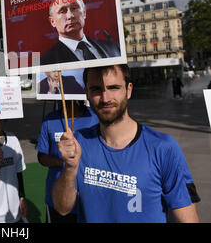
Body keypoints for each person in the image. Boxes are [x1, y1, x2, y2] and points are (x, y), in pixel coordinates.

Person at [52, 64, 200, 223]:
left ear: (128, 90)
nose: (105, 98)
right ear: (86, 93)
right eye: (96, 89)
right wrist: (70, 168)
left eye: (113, 87)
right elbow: (62, 208)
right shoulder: (78, 143)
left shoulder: (163, 147)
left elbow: (187, 216)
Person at [37, 100, 99, 223]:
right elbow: (42, 157)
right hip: (58, 197)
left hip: (89, 198)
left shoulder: (96, 118)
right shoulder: (50, 119)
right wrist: (66, 163)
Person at [41, 0, 120, 65]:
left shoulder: (113, 47)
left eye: (74, 8)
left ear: (84, 12)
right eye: (62, 11)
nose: (70, 16)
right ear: (52, 21)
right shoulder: (43, 62)